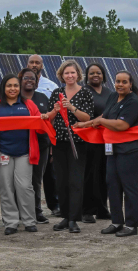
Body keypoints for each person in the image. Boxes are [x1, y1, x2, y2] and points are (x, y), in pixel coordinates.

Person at [77, 71, 138, 237]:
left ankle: (131, 224)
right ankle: (117, 222)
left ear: (131, 84)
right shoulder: (112, 96)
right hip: (113, 148)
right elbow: (104, 115)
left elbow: (122, 125)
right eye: (118, 81)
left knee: (129, 185)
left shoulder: (134, 101)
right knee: (112, 184)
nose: (120, 85)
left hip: (131, 149)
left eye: (124, 82)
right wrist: (85, 124)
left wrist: (100, 121)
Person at [0, 74, 49, 235]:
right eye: (9, 86)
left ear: (19, 88)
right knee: (6, 187)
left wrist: (43, 119)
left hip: (24, 153)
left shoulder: (28, 104)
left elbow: (40, 128)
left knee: (25, 187)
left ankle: (29, 221)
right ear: (3, 88)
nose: (12, 89)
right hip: (2, 152)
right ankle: (11, 222)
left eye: (15, 86)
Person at [43, 60, 93, 233]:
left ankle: (74, 219)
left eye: (72, 73)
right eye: (66, 73)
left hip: (78, 143)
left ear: (78, 74)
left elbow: (88, 118)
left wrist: (71, 108)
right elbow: (48, 118)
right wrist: (56, 110)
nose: (70, 76)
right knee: (62, 181)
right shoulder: (56, 92)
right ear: (61, 76)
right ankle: (65, 216)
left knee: (75, 181)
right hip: (59, 142)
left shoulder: (85, 92)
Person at [16, 68, 52, 225]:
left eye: (32, 78)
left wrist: (51, 145)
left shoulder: (43, 97)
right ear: (20, 81)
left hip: (41, 145)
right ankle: (19, 212)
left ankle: (36, 211)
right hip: (20, 145)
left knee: (36, 179)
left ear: (37, 83)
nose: (29, 80)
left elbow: (49, 122)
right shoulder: (14, 99)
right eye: (26, 78)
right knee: (19, 180)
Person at [27, 55, 60, 217]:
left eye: (37, 62)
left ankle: (54, 205)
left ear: (42, 65)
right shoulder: (18, 88)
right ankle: (29, 209)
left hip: (44, 141)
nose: (34, 65)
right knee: (30, 177)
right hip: (25, 140)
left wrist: (53, 142)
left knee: (48, 174)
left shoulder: (51, 86)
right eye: (31, 62)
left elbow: (55, 115)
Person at [82, 63, 113, 222]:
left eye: (99, 73)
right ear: (87, 76)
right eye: (92, 73)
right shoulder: (83, 92)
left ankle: (102, 208)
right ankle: (87, 210)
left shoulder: (110, 93)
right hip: (88, 138)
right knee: (89, 174)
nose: (96, 75)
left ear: (103, 75)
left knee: (103, 174)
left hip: (106, 138)